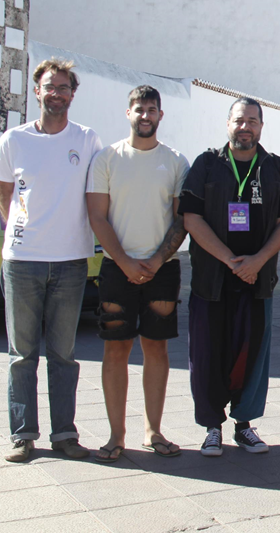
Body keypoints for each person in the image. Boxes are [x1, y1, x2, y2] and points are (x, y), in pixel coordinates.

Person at [0, 58, 103, 463]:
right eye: (49, 86)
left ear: (73, 94)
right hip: (22, 261)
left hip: (72, 261)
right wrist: (18, 229)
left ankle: (65, 434)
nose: (56, 93)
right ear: (36, 91)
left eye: (64, 87)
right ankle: (23, 435)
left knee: (64, 355)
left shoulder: (87, 139)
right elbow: (4, 192)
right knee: (22, 354)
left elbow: (99, 193)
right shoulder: (14, 140)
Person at [181, 98, 280, 457]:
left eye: (252, 121)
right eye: (238, 120)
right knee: (207, 355)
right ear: (227, 124)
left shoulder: (275, 168)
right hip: (212, 280)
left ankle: (244, 425)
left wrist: (258, 261)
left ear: (261, 126)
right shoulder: (206, 164)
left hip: (256, 281)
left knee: (252, 355)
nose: (245, 127)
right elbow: (191, 219)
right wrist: (231, 260)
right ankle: (212, 427)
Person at [86, 85, 190, 462]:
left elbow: (182, 219)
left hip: (163, 270)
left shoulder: (177, 162)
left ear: (161, 115)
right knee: (115, 350)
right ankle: (116, 435)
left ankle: (153, 431)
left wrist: (159, 259)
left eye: (152, 109)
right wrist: (126, 261)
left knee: (156, 349)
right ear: (127, 113)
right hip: (117, 268)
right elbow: (97, 216)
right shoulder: (107, 159)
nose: (145, 116)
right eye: (138, 109)